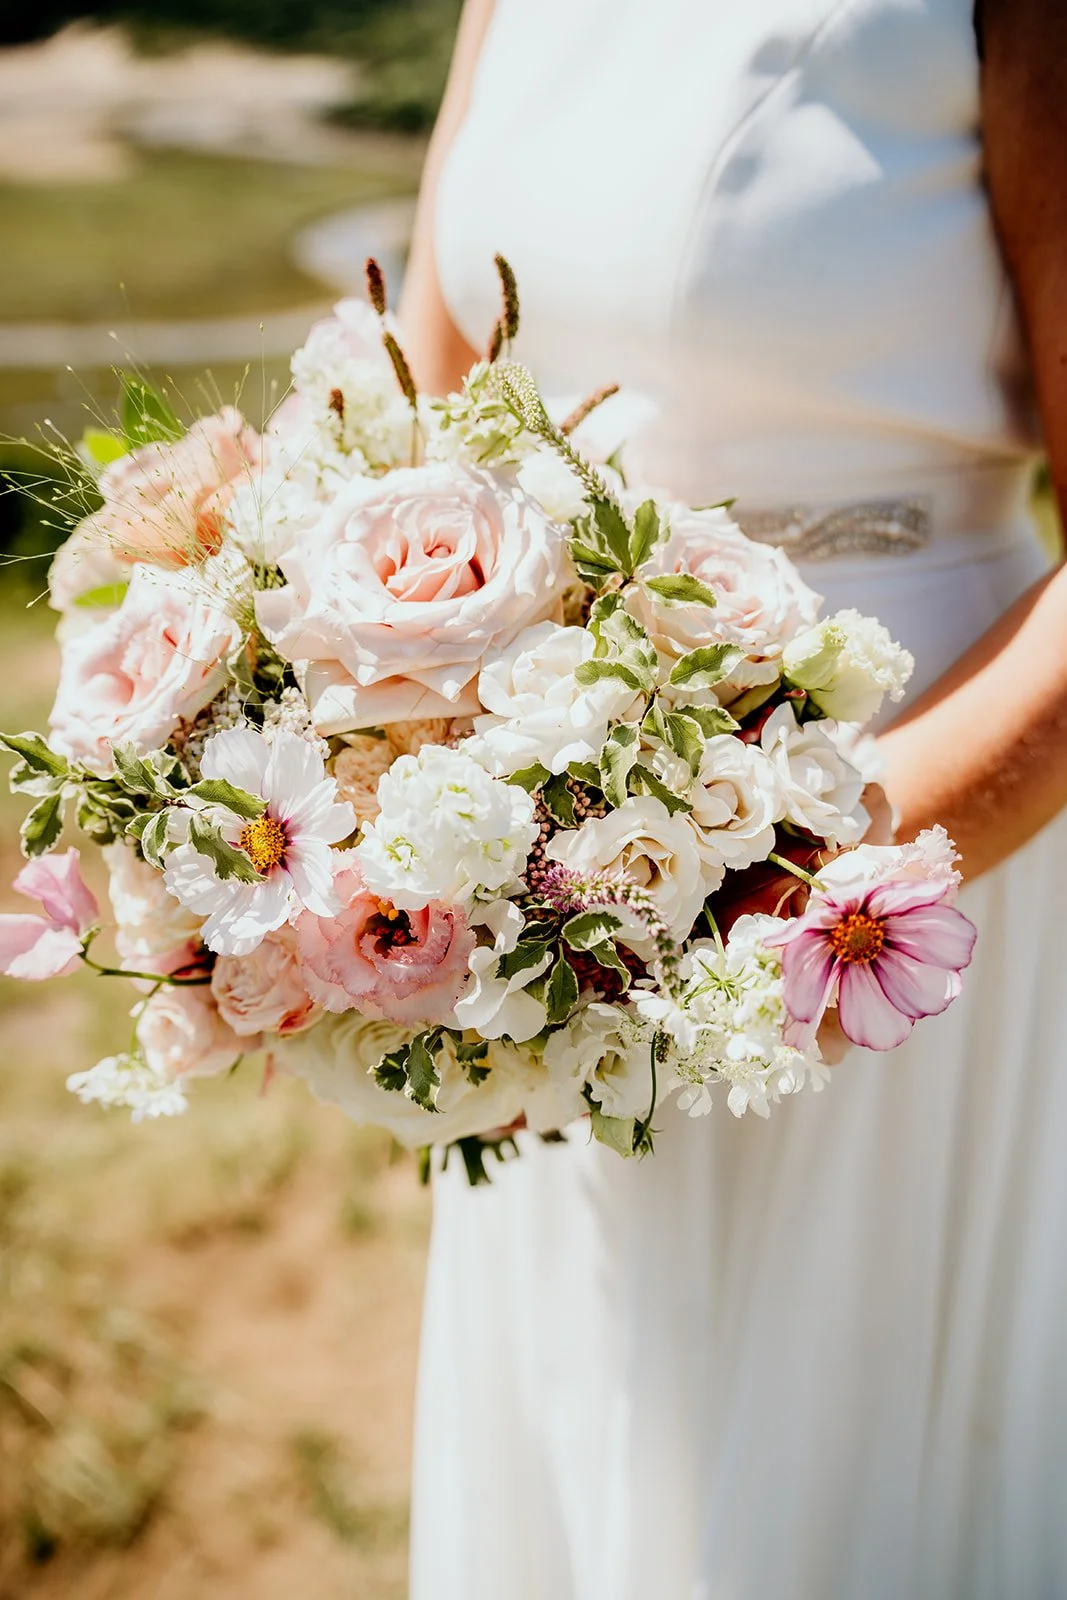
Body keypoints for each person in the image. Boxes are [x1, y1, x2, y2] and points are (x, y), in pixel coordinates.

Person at [399, 2, 1067, 1594]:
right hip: (547, 871)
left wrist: (801, 882)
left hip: (905, 861)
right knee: (596, 1420)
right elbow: (407, 422)